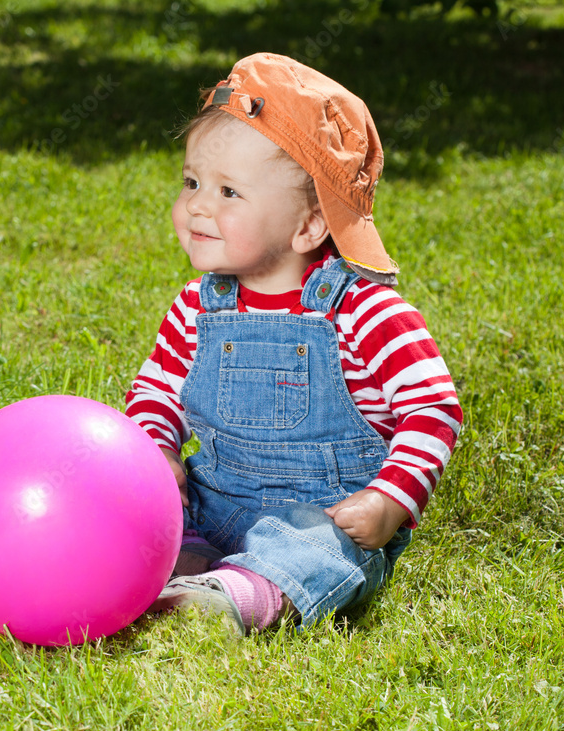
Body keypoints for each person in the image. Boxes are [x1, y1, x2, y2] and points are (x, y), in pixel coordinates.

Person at [125, 53, 463, 635]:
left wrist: (388, 501)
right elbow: (159, 387)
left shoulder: (366, 314)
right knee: (138, 514)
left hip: (324, 517)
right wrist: (155, 448)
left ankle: (246, 594)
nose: (198, 205)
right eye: (192, 182)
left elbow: (433, 411)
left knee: (325, 549)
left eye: (229, 192)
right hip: (215, 503)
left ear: (308, 225)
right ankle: (186, 566)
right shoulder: (198, 306)